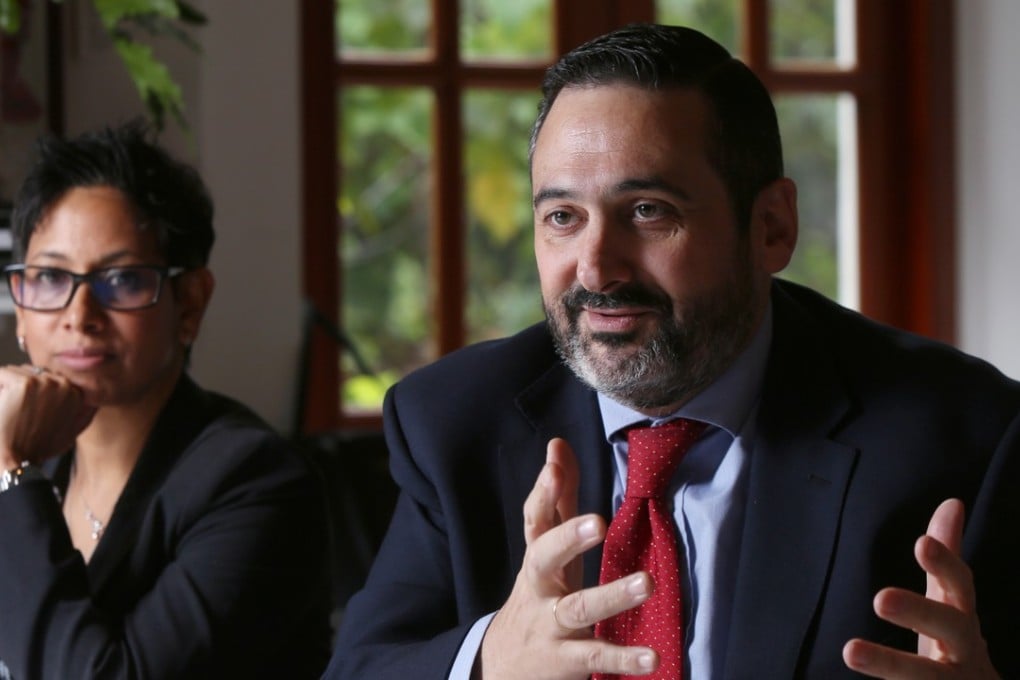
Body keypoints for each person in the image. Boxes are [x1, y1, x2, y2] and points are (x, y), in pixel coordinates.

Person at [325, 23, 1020, 680]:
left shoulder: (963, 435)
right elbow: (359, 668)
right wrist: (493, 660)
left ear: (772, 227)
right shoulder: (452, 422)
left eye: (649, 211)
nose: (596, 269)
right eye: (562, 218)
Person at [0, 121, 333, 679]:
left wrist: (9, 475)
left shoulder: (255, 483)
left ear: (189, 303)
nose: (79, 317)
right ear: (21, 308)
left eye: (122, 280)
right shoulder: (38, 461)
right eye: (50, 278)